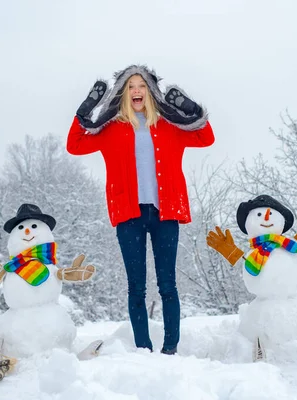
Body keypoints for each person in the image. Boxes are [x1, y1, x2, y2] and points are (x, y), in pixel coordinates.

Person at [66, 65, 214, 354]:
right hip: (128, 214)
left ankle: (170, 348)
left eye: (142, 85)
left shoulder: (170, 126)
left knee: (167, 285)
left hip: (165, 213)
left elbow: (205, 137)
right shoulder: (111, 129)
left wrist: (192, 110)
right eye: (131, 85)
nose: (137, 90)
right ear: (123, 92)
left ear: (151, 91)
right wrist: (85, 112)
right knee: (137, 288)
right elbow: (75, 145)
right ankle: (143, 349)